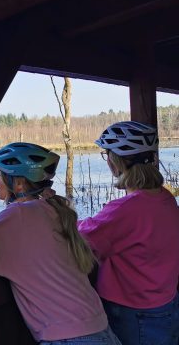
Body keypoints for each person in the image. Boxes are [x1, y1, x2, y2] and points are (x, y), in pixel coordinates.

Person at [0, 142, 121, 344]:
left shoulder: (15, 216)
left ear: (19, 183)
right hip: (101, 329)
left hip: (69, 338)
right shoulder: (54, 209)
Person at [78, 121, 179, 345]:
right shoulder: (165, 198)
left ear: (116, 163)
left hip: (134, 313)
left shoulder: (125, 209)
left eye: (107, 156)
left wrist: (55, 215)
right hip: (166, 304)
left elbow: (81, 237)